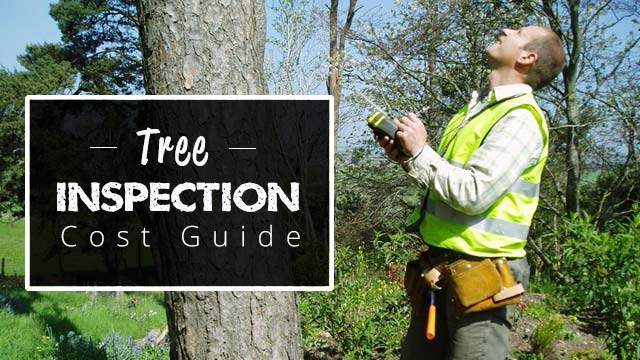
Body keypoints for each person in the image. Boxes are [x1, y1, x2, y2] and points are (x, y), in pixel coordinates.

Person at [376, 26, 565, 359]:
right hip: (439, 270)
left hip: (484, 276)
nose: (506, 28)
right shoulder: (473, 112)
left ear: (527, 57)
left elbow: (474, 193)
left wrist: (421, 152)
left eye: (518, 31)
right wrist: (409, 159)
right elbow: (450, 185)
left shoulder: (520, 118)